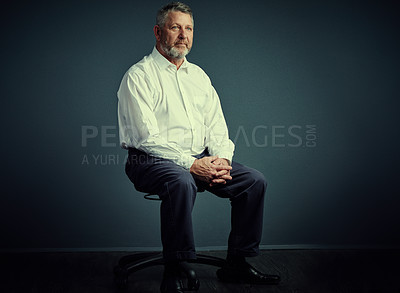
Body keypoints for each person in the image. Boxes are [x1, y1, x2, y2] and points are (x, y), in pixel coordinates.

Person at [117, 2, 280, 292]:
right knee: (180, 181)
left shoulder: (200, 77)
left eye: (189, 28)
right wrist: (191, 164)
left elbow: (217, 127)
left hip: (200, 159)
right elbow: (145, 138)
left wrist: (221, 161)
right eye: (175, 27)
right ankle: (175, 269)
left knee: (253, 181)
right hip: (149, 161)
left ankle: (236, 265)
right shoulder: (139, 76)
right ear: (158, 32)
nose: (183, 35)